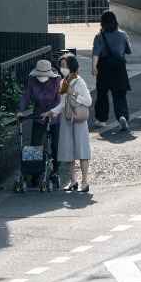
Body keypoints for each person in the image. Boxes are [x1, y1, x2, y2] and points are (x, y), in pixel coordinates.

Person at [48, 55, 92, 194]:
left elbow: (88, 101)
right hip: (67, 119)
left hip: (78, 119)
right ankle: (73, 181)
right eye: (61, 65)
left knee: (82, 150)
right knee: (68, 151)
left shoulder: (79, 82)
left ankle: (85, 182)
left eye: (65, 65)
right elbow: (62, 103)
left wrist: (73, 93)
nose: (63, 68)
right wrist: (52, 112)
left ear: (71, 67)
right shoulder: (63, 82)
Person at [92, 10, 132, 134]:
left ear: (102, 23)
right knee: (119, 95)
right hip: (119, 67)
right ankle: (122, 116)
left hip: (104, 67)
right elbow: (129, 50)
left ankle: (102, 119)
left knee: (102, 94)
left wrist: (94, 67)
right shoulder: (123, 34)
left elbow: (96, 54)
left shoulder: (99, 36)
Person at [18, 57, 62, 160]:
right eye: (39, 75)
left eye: (44, 75)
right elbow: (26, 96)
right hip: (38, 114)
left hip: (54, 115)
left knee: (56, 145)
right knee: (35, 144)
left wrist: (51, 113)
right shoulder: (32, 79)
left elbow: (59, 100)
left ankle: (55, 170)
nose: (41, 77)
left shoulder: (57, 80)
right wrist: (20, 110)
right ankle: (34, 172)